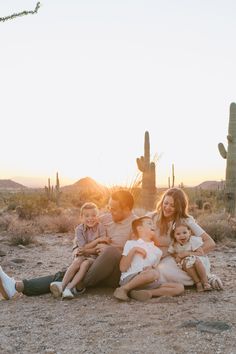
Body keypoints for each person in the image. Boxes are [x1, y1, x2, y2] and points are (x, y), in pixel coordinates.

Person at [0, 191, 136, 299]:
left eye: (114, 209)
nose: (110, 211)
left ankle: (77, 283)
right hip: (93, 265)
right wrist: (77, 249)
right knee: (71, 270)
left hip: (115, 273)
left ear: (127, 208)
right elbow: (83, 230)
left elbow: (141, 252)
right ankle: (19, 286)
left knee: (110, 252)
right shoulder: (106, 218)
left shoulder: (136, 225)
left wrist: (115, 250)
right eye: (109, 207)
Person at [129, 188, 223, 301]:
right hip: (161, 257)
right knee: (158, 270)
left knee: (171, 268)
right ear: (162, 202)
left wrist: (187, 253)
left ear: (179, 207)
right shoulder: (152, 217)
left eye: (172, 205)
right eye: (166, 203)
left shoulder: (186, 221)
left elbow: (210, 243)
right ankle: (202, 279)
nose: (167, 207)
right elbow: (135, 234)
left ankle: (205, 277)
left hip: (181, 256)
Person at [53, 202, 110, 300]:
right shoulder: (79, 229)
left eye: (93, 215)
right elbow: (82, 247)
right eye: (86, 216)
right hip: (82, 255)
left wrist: (86, 250)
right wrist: (97, 240)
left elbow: (99, 249)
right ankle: (62, 286)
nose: (90, 218)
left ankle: (69, 288)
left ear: (98, 216)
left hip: (95, 257)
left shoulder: (101, 227)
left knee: (84, 264)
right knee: (78, 261)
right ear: (81, 217)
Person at [113, 216, 162, 301]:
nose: (153, 225)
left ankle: (139, 293)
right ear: (139, 228)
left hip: (146, 281)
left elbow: (154, 269)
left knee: (178, 287)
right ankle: (123, 289)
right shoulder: (131, 244)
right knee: (153, 274)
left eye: (154, 224)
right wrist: (134, 250)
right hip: (129, 278)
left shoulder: (158, 251)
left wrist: (151, 268)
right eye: (150, 223)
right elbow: (122, 268)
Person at [168, 220, 211, 292]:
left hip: (198, 258)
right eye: (178, 234)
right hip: (185, 261)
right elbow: (171, 253)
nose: (182, 236)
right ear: (174, 236)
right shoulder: (174, 244)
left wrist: (187, 253)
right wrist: (177, 256)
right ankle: (197, 282)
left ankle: (205, 282)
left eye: (184, 233)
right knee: (187, 264)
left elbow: (201, 253)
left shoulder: (193, 240)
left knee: (197, 262)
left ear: (189, 232)